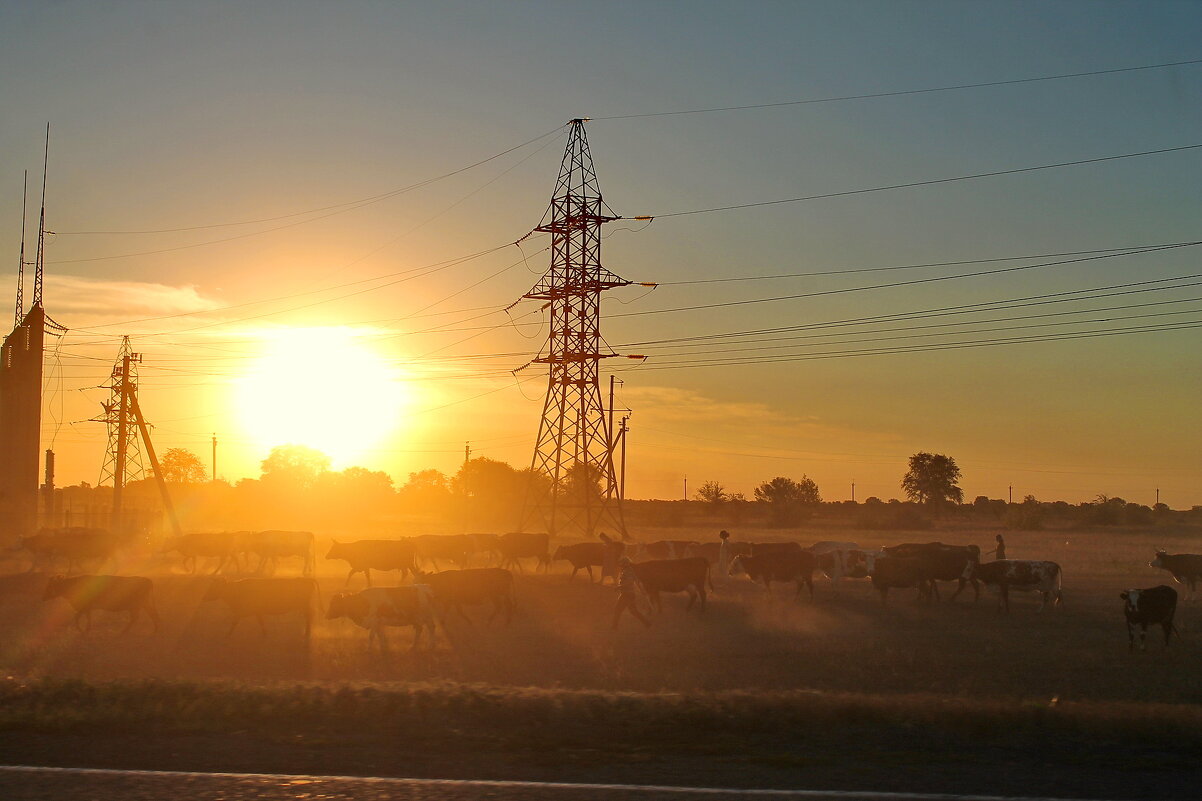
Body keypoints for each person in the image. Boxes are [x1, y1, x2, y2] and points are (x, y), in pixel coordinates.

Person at [612, 556, 651, 630]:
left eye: (621, 563)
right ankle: (647, 623)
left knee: (617, 610)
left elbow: (629, 583)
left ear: (625, 564)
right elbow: (637, 581)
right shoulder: (627, 571)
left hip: (627, 594)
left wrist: (619, 587)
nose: (620, 565)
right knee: (634, 611)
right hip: (629, 594)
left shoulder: (628, 571)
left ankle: (614, 627)